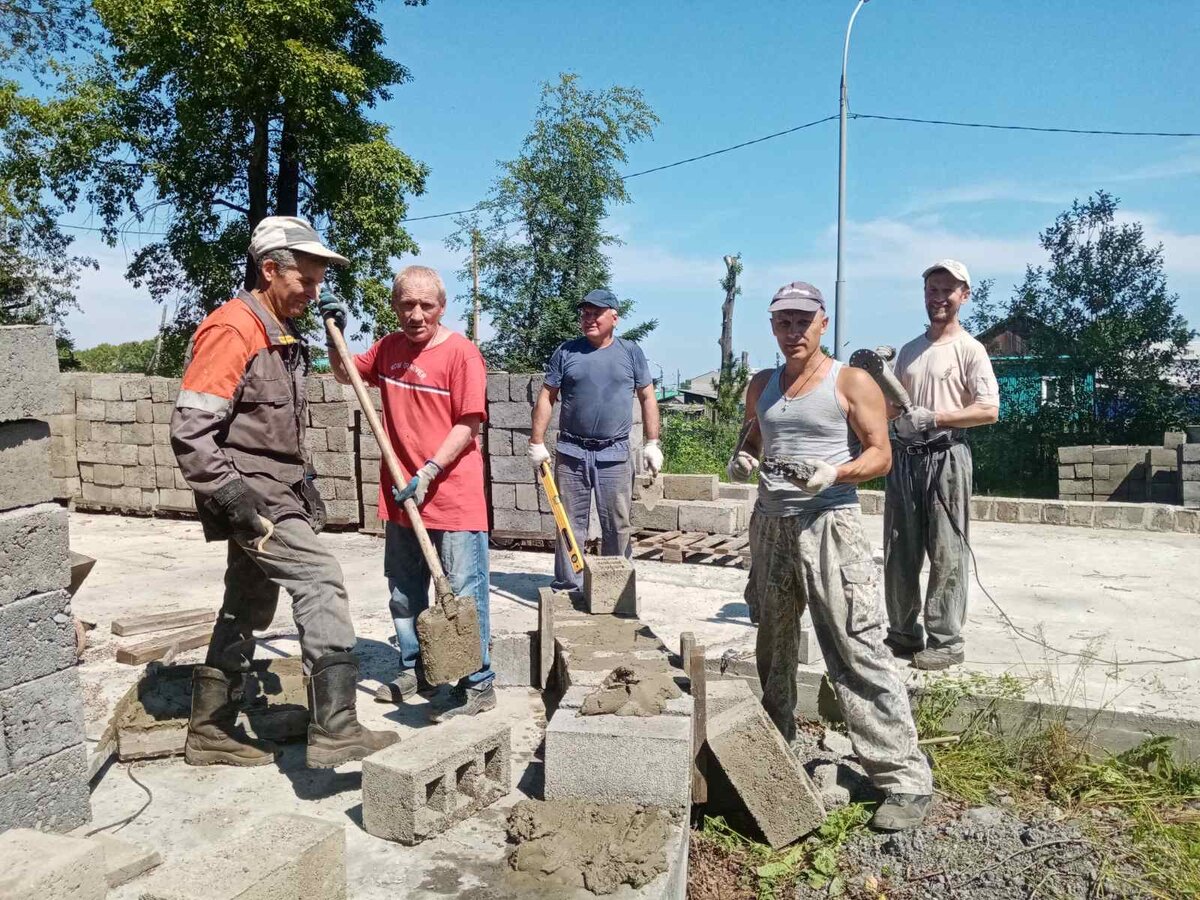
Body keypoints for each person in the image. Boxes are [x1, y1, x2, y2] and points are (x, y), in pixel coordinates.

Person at [171, 215, 397, 769]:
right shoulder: (233, 330)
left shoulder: (279, 331)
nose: (314, 292)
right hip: (254, 495)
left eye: (320, 282)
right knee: (321, 579)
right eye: (307, 281)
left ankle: (209, 727)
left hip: (276, 489)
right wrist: (234, 502)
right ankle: (337, 726)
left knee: (247, 602)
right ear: (270, 269)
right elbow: (189, 431)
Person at [727, 281, 932, 832]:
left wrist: (835, 472)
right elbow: (754, 438)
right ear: (773, 327)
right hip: (771, 525)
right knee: (773, 642)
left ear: (822, 323)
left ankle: (903, 779)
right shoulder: (762, 385)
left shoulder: (851, 381)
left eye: (802, 321)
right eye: (782, 322)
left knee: (855, 643)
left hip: (830, 525)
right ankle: (777, 751)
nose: (792, 332)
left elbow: (882, 456)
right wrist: (744, 460)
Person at [322, 266, 494, 721]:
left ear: (442, 307)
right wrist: (332, 334)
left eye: (426, 305)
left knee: (461, 592)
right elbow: (345, 374)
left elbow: (469, 423)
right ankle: (418, 667)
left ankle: (478, 683)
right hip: (401, 496)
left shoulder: (462, 355)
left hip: (452, 496)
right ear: (395, 305)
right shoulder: (388, 349)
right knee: (404, 591)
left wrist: (431, 470)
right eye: (406, 304)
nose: (416, 314)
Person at [883, 260, 1000, 671]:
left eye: (948, 290)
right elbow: (891, 407)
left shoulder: (970, 350)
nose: (939, 298)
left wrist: (935, 417)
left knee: (947, 551)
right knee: (900, 549)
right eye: (933, 289)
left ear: (964, 296)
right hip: (906, 458)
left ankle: (946, 640)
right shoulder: (911, 352)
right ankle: (902, 633)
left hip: (947, 457)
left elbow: (988, 410)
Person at [529, 288, 663, 592]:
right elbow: (547, 397)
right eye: (585, 314)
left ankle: (614, 587)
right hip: (572, 451)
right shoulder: (566, 352)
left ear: (614, 317)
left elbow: (647, 396)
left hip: (614, 453)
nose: (589, 319)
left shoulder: (630, 353)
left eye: (596, 313)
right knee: (568, 524)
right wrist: (536, 443)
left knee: (616, 524)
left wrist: (653, 442)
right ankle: (568, 586)